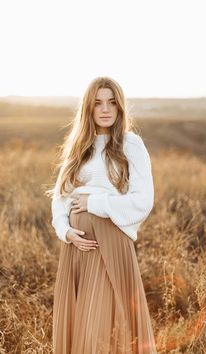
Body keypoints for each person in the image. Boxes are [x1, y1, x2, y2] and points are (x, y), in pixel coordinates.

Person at [50, 76, 157, 353]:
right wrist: (66, 231)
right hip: (77, 250)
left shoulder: (130, 144)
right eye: (98, 103)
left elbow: (143, 201)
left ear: (120, 107)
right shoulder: (78, 145)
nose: (105, 109)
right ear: (88, 108)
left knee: (103, 329)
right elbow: (60, 197)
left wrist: (94, 203)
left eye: (112, 102)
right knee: (81, 326)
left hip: (110, 246)